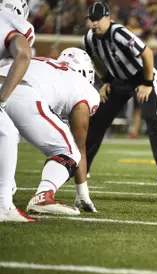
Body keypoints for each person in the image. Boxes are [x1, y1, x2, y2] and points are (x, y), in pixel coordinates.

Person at [82, 2, 157, 182]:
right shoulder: (89, 38)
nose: (94, 23)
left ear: (107, 18)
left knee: (154, 121)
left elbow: (147, 53)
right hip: (117, 81)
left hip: (140, 77)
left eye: (97, 19)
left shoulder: (119, 32)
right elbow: (93, 59)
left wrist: (147, 82)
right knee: (97, 121)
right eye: (91, 20)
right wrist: (106, 80)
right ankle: (82, 168)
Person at [0, 48, 99, 216]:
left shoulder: (44, 62)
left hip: (8, 82)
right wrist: (82, 192)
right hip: (22, 92)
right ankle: (43, 196)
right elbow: (79, 145)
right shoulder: (83, 87)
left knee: (6, 142)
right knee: (69, 151)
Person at [0, 0, 36, 222]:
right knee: (8, 133)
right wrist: (2, 98)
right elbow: (23, 55)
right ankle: (4, 205)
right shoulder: (18, 24)